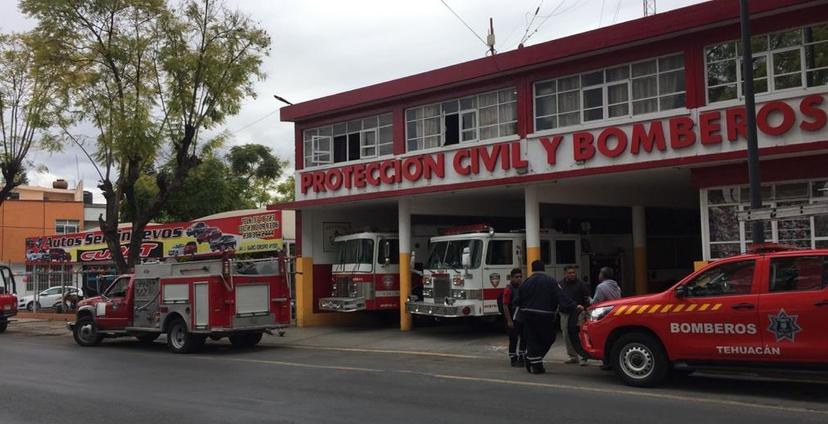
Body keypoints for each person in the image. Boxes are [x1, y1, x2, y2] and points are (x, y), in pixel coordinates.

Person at [514, 260, 578, 374]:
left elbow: (517, 301)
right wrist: (574, 306)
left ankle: (534, 361)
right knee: (549, 338)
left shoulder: (526, 282)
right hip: (545, 315)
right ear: (544, 269)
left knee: (533, 339)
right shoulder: (551, 281)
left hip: (527, 315)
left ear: (532, 269)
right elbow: (561, 297)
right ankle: (534, 361)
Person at [560, 266, 590, 366]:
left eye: (573, 272)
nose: (572, 274)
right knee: (566, 335)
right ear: (565, 274)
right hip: (565, 313)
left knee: (579, 335)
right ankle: (573, 356)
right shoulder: (560, 284)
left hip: (578, 313)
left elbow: (587, 298)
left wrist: (585, 310)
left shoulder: (581, 284)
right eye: (569, 273)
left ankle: (583, 356)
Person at [501, 268, 525, 367]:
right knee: (513, 339)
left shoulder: (522, 287)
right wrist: (509, 320)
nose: (519, 279)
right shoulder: (508, 289)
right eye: (516, 277)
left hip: (522, 318)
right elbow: (505, 305)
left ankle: (522, 357)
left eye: (520, 277)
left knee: (524, 338)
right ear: (511, 278)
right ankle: (513, 358)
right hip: (513, 318)